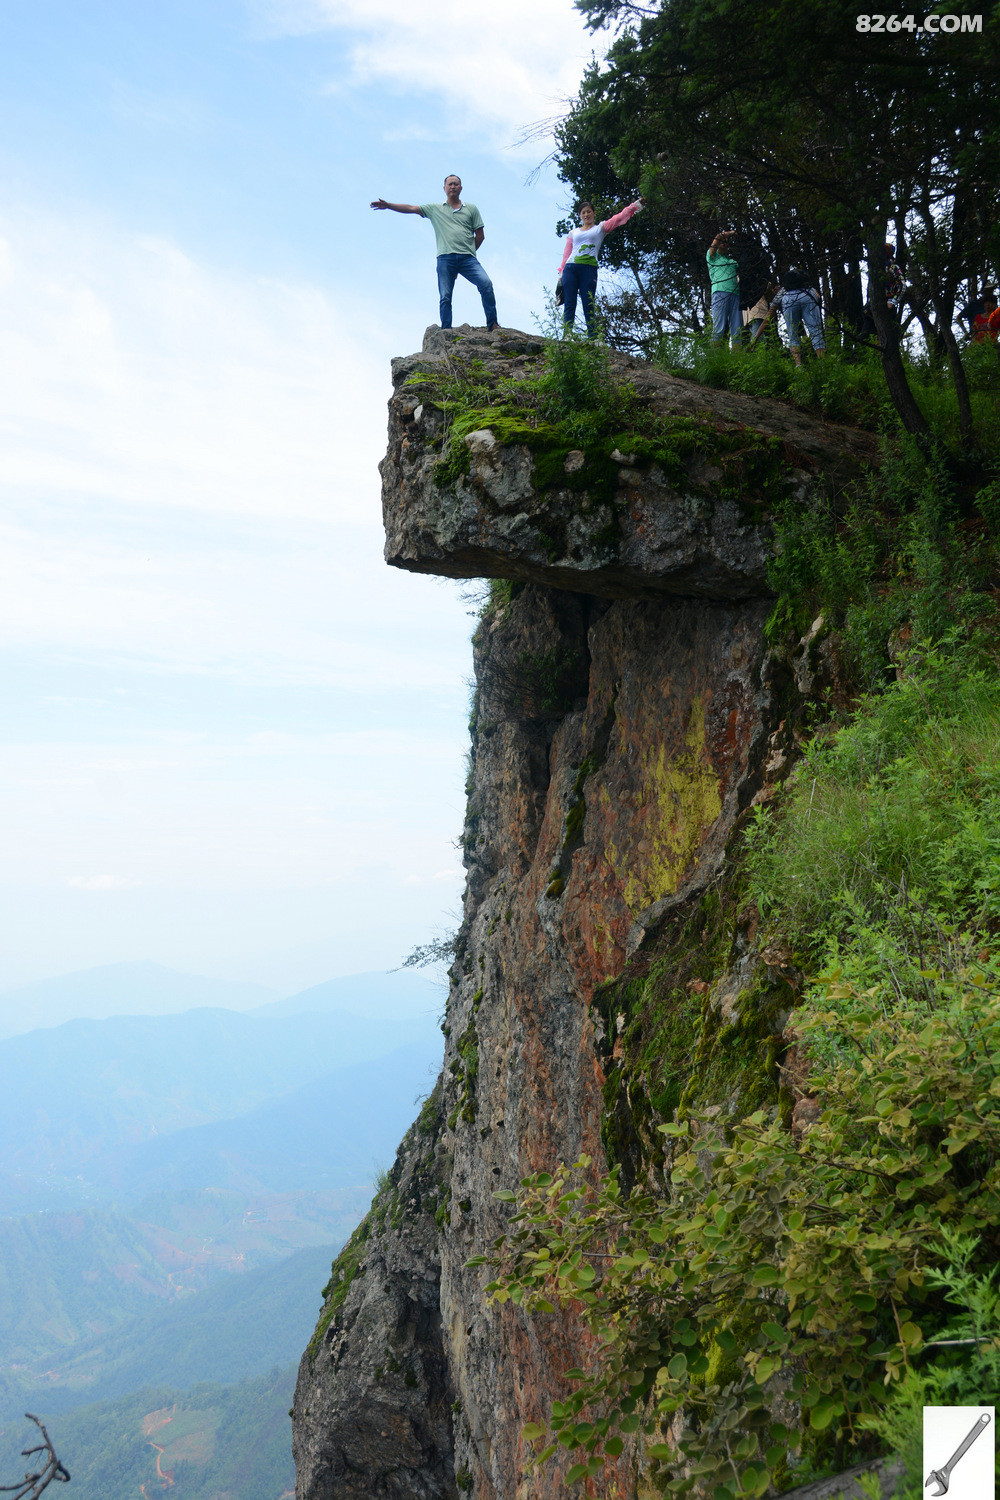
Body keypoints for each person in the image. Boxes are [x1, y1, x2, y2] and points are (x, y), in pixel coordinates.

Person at [371, 174, 499, 331]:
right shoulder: (435, 209)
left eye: (456, 184)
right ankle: (446, 331)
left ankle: (492, 324)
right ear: (444, 188)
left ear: (461, 188)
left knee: (486, 284)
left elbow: (480, 236)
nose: (453, 186)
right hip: (445, 258)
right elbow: (411, 208)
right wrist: (388, 205)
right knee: (445, 296)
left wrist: (469, 250)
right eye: (450, 184)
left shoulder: (471, 209)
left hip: (468, 259)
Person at [556, 197, 644, 336]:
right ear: (580, 215)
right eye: (583, 212)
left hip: (589, 269)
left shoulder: (600, 229)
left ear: (594, 213)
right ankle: (567, 335)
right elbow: (567, 253)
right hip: (570, 269)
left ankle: (593, 337)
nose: (586, 215)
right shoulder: (573, 233)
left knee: (588, 302)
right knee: (570, 303)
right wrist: (561, 274)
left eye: (589, 211)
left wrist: (634, 206)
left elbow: (617, 219)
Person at [764, 270, 825, 364]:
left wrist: (755, 340)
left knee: (793, 335)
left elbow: (768, 317)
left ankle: (798, 365)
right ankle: (823, 361)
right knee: (816, 331)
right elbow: (817, 296)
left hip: (789, 300)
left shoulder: (783, 292)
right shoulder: (810, 290)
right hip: (808, 296)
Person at [706, 229, 741, 344]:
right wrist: (731, 233)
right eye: (721, 242)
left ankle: (737, 360)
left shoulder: (732, 261)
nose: (723, 243)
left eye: (725, 243)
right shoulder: (712, 257)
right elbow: (717, 237)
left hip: (736, 295)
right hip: (720, 292)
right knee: (719, 329)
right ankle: (713, 361)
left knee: (737, 331)